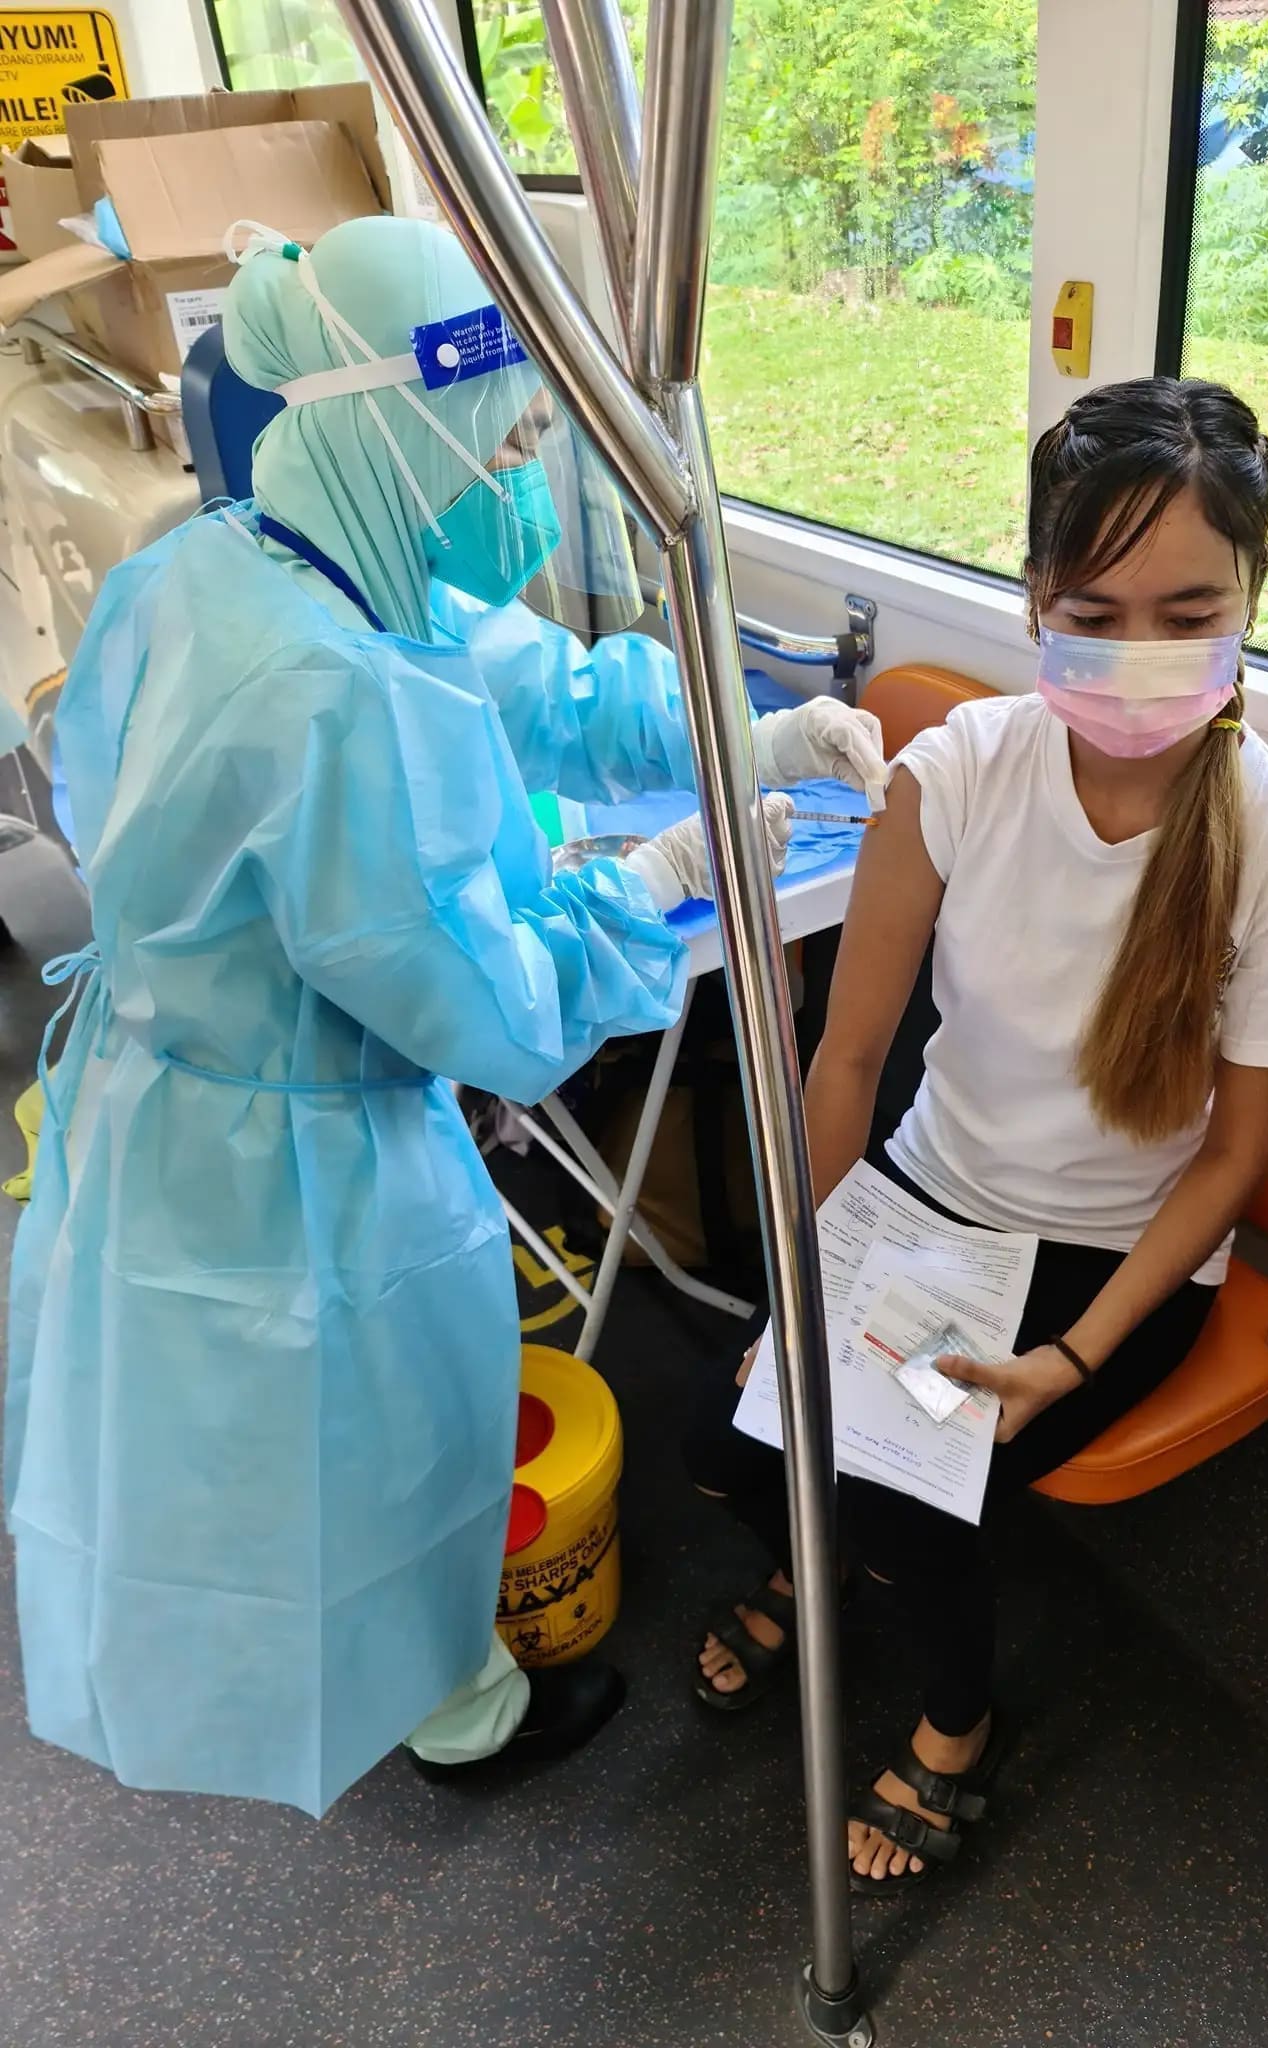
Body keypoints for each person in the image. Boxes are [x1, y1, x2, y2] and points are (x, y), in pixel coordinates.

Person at [1, 213, 886, 1817]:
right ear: (405, 423)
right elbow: (501, 1013)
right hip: (287, 1159)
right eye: (511, 436)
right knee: (361, 1453)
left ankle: (436, 1686)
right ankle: (457, 1717)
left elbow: (533, 683)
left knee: (260, 1449)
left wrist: (748, 735)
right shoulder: (328, 690)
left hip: (170, 1096)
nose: (527, 468)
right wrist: (657, 881)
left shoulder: (248, 558)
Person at [685, 377, 1268, 1891]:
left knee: (908, 1509)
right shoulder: (957, 773)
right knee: (727, 1449)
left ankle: (955, 1729)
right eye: (1095, 613)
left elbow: (1230, 1161)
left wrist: (1072, 1355)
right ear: (1035, 598)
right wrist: (806, 1288)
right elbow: (846, 1059)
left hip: (1110, 1255)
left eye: (1189, 612)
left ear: (1253, 597)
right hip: (922, 1191)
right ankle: (808, 1557)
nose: (1141, 655)